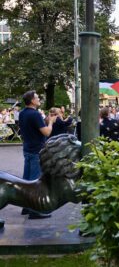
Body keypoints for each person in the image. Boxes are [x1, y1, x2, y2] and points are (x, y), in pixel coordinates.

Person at [19, 90, 57, 219]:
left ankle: (26, 207)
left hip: (28, 148)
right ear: (32, 101)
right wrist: (51, 122)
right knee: (35, 181)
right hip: (36, 150)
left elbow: (33, 128)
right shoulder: (35, 114)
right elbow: (46, 132)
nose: (39, 99)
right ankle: (34, 211)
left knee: (27, 180)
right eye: (37, 97)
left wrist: (45, 120)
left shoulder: (22, 113)